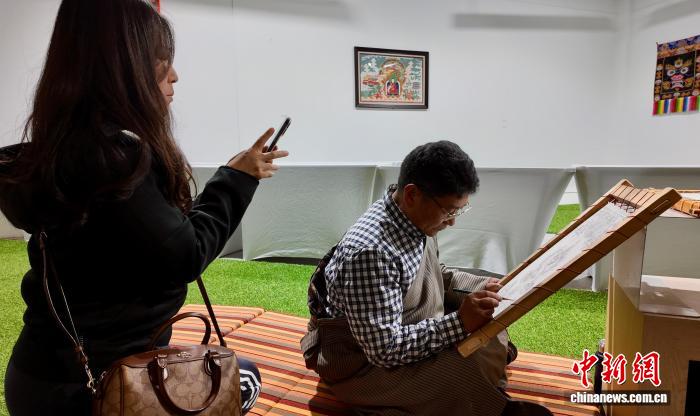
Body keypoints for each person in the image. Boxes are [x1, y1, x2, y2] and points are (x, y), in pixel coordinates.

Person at [0, 0, 286, 414]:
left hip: (37, 376)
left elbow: (161, 234)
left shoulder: (60, 153)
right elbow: (186, 254)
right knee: (242, 377)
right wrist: (237, 178)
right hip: (104, 389)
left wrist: (231, 176)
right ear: (122, 67)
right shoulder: (115, 164)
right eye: (160, 61)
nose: (174, 75)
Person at [301, 141, 553, 415]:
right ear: (412, 194)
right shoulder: (370, 253)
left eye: (459, 210)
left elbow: (436, 274)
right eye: (449, 211)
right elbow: (384, 350)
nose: (452, 221)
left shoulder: (411, 218)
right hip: (360, 362)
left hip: (397, 328)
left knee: (488, 329)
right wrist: (459, 322)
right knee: (465, 367)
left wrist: (482, 286)